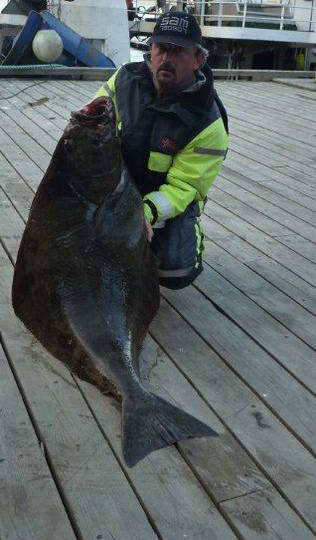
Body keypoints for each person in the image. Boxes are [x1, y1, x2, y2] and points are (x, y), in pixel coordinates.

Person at [92, 11, 229, 289]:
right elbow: (92, 123)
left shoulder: (209, 123)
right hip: (116, 188)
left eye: (178, 51)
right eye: (161, 48)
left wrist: (142, 214)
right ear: (150, 49)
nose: (167, 58)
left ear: (198, 59)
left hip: (162, 202)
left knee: (175, 270)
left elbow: (183, 187)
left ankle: (186, 242)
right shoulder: (123, 80)